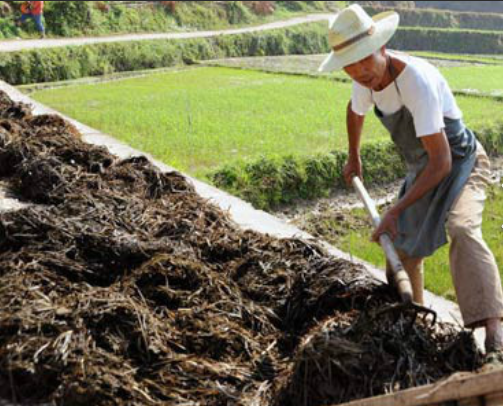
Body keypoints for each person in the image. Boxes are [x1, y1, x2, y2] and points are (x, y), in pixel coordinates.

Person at [318, 4, 503, 364]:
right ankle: (417, 327)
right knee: (401, 251)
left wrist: (395, 210)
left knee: (462, 228)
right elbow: (354, 111)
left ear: (382, 48)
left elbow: (443, 161)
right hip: (425, 168)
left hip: (461, 161)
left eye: (365, 60)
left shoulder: (415, 80)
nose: (360, 72)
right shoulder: (365, 81)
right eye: (351, 67)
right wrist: (353, 155)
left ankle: (495, 336)